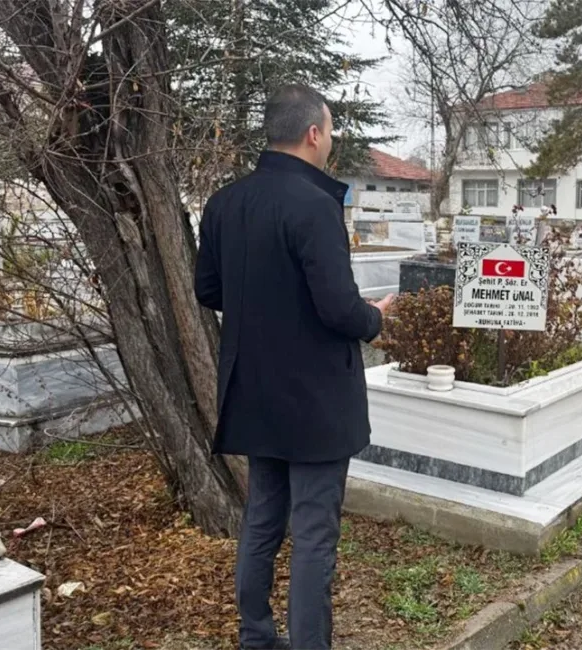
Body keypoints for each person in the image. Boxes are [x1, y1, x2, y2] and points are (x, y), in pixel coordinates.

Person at [194, 83, 394, 650]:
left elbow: (208, 287)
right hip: (314, 400)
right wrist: (374, 318)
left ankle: (256, 637)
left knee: (262, 516)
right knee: (312, 533)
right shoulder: (314, 204)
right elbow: (338, 308)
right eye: (330, 130)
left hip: (253, 386)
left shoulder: (225, 203)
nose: (330, 140)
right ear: (313, 134)